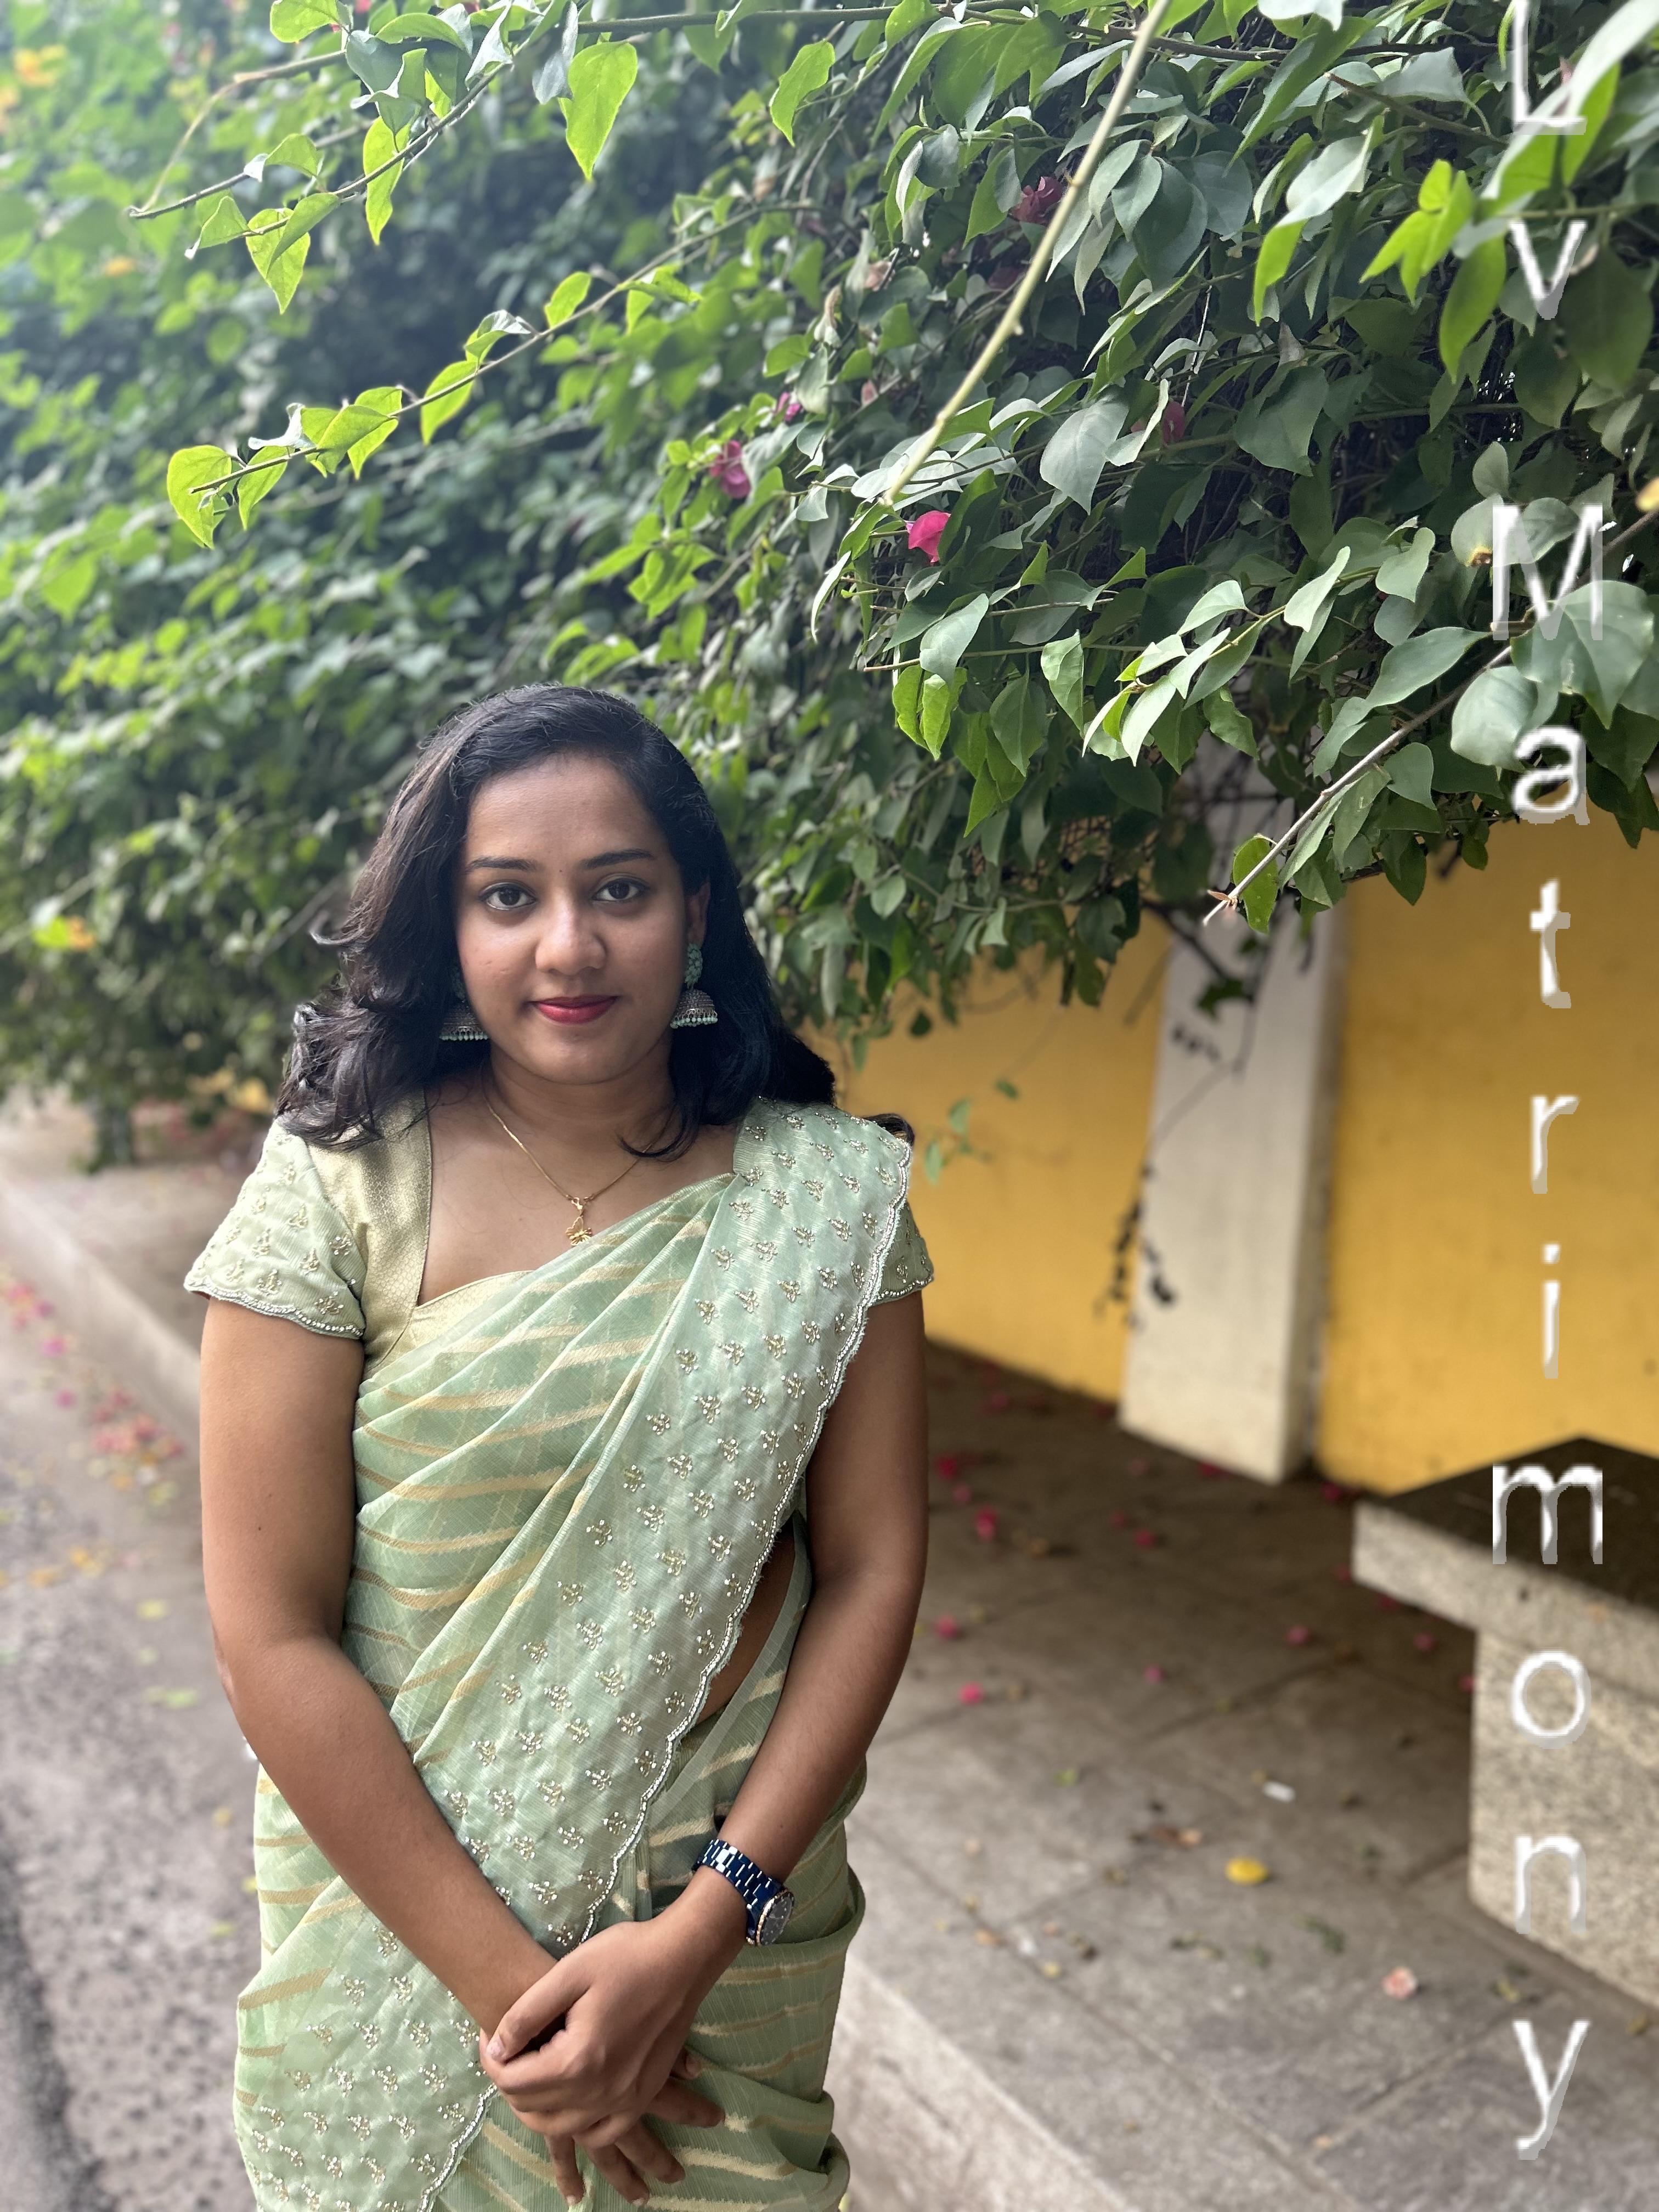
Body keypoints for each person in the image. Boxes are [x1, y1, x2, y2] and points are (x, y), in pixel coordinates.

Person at [185, 684, 933, 2212]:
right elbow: (270, 1633)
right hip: (412, 1941)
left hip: (729, 1942)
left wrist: (699, 1934)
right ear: (447, 928)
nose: (569, 946)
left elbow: (872, 1567)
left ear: (695, 912)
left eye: (621, 890)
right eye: (508, 897)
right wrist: (522, 2005)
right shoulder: (335, 1193)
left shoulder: (827, 1202)